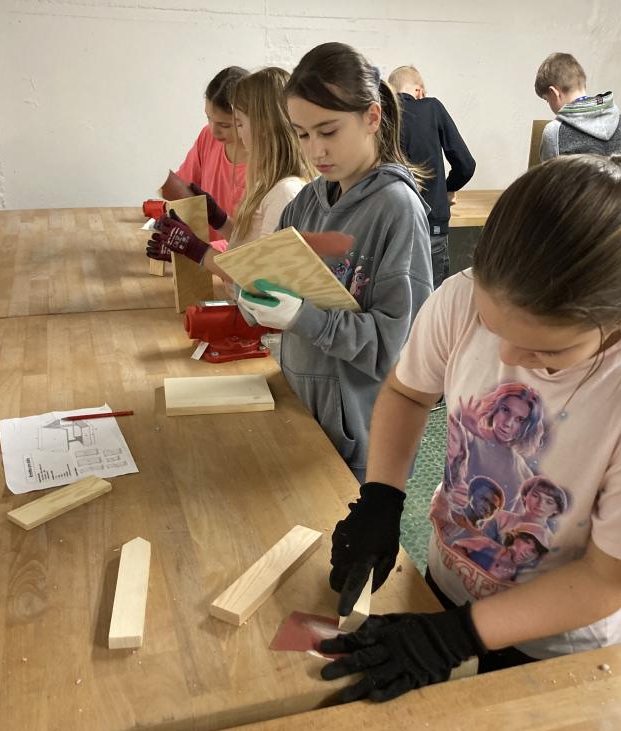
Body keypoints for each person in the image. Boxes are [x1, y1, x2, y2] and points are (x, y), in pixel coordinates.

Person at [318, 155, 621, 702]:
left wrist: (455, 637)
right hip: (450, 582)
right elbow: (409, 393)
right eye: (492, 327)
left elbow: (612, 575)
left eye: (546, 350)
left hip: (563, 642)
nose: (507, 357)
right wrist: (382, 498)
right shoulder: (462, 296)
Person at [233, 42, 433, 482]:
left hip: (361, 435)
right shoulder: (306, 201)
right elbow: (268, 274)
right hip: (304, 409)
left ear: (372, 118)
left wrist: (304, 317)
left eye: (328, 132)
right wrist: (251, 295)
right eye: (303, 135)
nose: (315, 151)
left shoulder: (397, 209)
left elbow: (394, 347)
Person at [146, 68, 315, 278]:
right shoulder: (268, 182)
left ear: (264, 128)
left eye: (239, 124)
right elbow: (248, 246)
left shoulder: (285, 193)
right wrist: (219, 219)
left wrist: (197, 250)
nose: (239, 134)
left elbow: (259, 277)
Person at [388, 65, 476, 287]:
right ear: (419, 92)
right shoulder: (432, 107)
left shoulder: (381, 116)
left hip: (392, 229)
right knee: (432, 299)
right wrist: (446, 189)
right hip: (431, 225)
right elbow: (466, 164)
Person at [159, 66, 249, 250]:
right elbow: (184, 191)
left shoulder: (264, 164)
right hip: (202, 254)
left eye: (225, 125)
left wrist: (194, 249)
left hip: (232, 259)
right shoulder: (207, 136)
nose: (214, 130)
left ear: (246, 120)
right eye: (209, 118)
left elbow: (253, 243)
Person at [534, 52, 621, 161]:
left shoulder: (554, 131)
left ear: (554, 92)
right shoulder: (614, 115)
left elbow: (548, 172)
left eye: (547, 100)